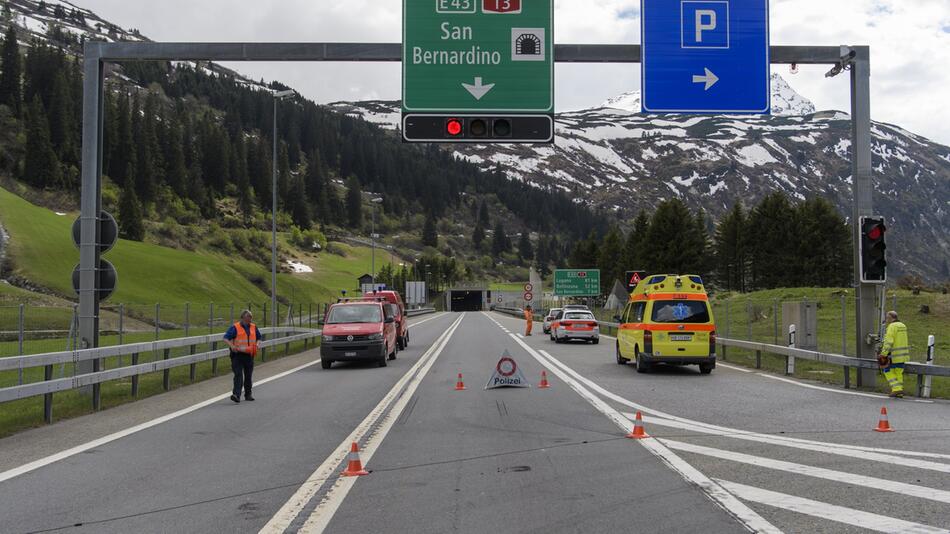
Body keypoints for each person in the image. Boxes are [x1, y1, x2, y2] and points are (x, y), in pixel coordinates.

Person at [224, 310, 262, 403]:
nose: (249, 320)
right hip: (237, 355)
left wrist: (257, 344)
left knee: (248, 376)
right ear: (243, 318)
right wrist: (232, 346)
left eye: (250, 318)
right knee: (238, 375)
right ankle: (236, 395)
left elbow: (259, 337)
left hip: (249, 355)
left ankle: (248, 394)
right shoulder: (235, 327)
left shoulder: (253, 327)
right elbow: (225, 338)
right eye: (248, 318)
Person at [878, 311, 910, 398]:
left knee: (887, 370)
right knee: (898, 372)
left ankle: (896, 389)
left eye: (887, 318)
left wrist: (883, 353)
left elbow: (889, 342)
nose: (886, 319)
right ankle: (899, 391)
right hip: (902, 355)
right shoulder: (903, 325)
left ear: (890, 318)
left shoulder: (892, 326)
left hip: (893, 355)